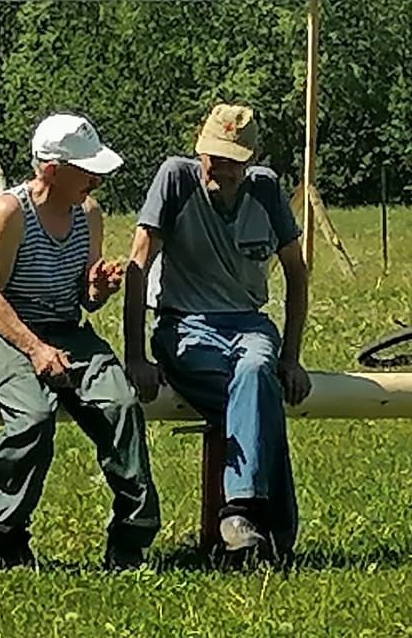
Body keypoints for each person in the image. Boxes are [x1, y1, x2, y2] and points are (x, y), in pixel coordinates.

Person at [123, 103, 310, 561]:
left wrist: (290, 357)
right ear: (198, 148)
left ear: (252, 160)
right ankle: (267, 525)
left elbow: (297, 273)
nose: (220, 170)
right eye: (213, 157)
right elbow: (137, 265)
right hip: (184, 324)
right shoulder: (175, 178)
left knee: (256, 369)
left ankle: (239, 514)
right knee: (256, 389)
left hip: (248, 325)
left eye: (232, 161)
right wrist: (135, 357)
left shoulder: (266, 190)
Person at [0, 113, 160, 570]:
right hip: (11, 333)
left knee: (121, 406)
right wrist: (35, 350)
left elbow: (85, 299)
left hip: (68, 331)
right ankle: (4, 541)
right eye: (86, 170)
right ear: (52, 170)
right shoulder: (9, 211)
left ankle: (131, 538)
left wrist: (97, 287)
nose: (95, 180)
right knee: (33, 419)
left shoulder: (88, 214)